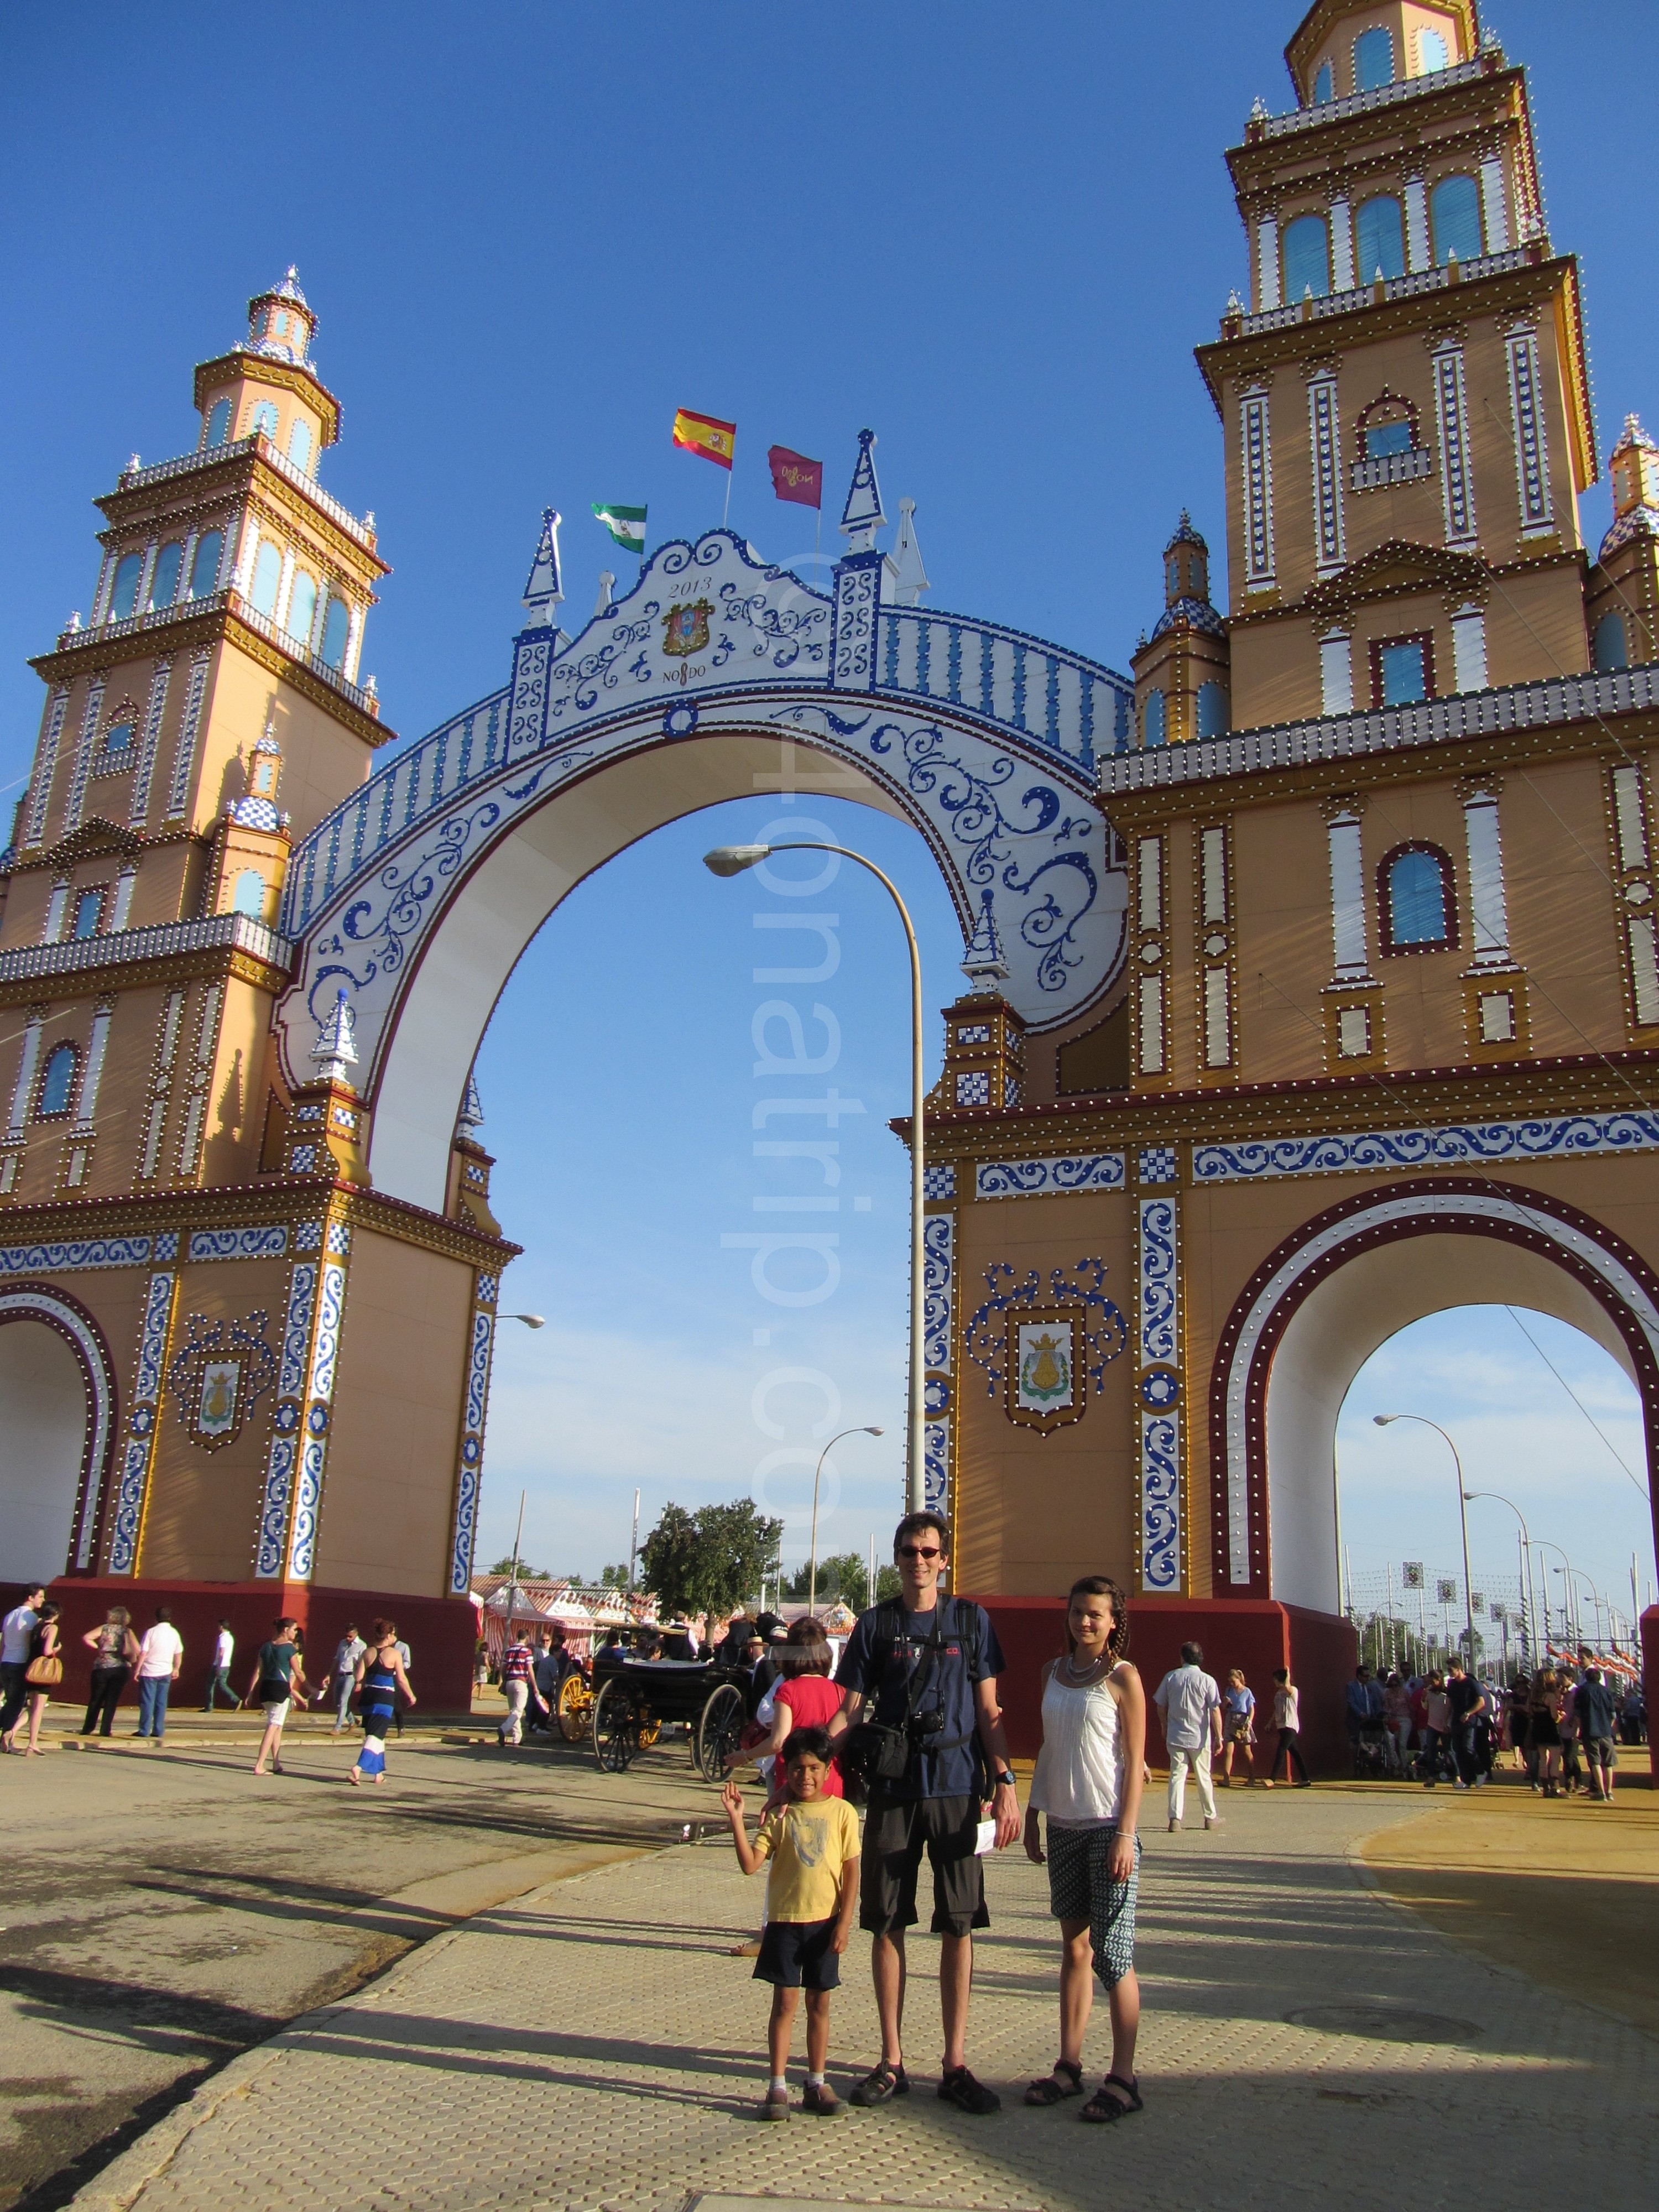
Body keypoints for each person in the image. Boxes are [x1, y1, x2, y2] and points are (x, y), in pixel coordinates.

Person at [829, 1508, 1020, 2116]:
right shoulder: (875, 1625)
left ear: (945, 1558)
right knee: (886, 1921)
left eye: (929, 1551)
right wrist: (800, 1768)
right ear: (896, 1557)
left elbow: (990, 1711)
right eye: (909, 1551)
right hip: (895, 1786)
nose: (919, 1561)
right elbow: (849, 1709)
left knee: (958, 1923)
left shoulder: (972, 1620)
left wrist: (1007, 1781)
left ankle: (955, 2062)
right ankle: (891, 2059)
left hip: (959, 1785)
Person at [1022, 1575, 1146, 2125]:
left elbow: (1139, 1764)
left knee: (1113, 1957)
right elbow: (1049, 1751)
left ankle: (1123, 2077)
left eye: (1096, 1614)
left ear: (1113, 1619)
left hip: (1106, 1828)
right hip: (1064, 1826)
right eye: (1077, 1612)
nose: (1085, 1622)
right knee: (1074, 1950)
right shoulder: (1052, 1672)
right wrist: (1032, 1813)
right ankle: (1069, 2065)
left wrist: (1126, 1832)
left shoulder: (1124, 1679)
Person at [723, 1726, 860, 2119]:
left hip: (825, 1924)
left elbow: (852, 1875)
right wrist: (737, 1820)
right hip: (785, 1924)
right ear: (787, 1771)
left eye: (815, 1768)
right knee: (784, 2002)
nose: (806, 1777)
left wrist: (844, 1925)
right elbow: (751, 1865)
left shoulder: (843, 1814)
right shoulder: (780, 1816)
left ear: (829, 1768)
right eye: (798, 1769)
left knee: (820, 2003)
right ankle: (777, 2085)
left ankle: (817, 2081)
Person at [731, 1619, 846, 1807]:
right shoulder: (839, 1692)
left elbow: (778, 1742)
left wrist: (746, 1756)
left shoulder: (788, 1690)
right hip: (831, 1785)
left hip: (795, 1786)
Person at [1152, 1642, 1223, 1832]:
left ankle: (1175, 1819)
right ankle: (1210, 1817)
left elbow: (1160, 1704)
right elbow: (1215, 1709)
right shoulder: (1208, 1680)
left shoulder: (1171, 1677)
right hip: (1199, 1738)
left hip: (1176, 1735)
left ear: (1182, 1657)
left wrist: (1164, 1725)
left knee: (1177, 1776)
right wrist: (1219, 1736)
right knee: (1203, 1777)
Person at [352, 1620, 414, 1785]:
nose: (394, 1637)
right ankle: (358, 1767)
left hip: (368, 1696)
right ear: (388, 1635)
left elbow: (358, 1677)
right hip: (384, 1697)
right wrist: (411, 1695)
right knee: (376, 1735)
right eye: (393, 1634)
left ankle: (378, 1774)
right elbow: (401, 1678)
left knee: (377, 1735)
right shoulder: (394, 1654)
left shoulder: (367, 1652)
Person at [247, 1617, 309, 1775]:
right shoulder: (289, 1648)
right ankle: (260, 1765)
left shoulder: (266, 1647)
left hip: (265, 1688)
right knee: (273, 1726)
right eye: (293, 1629)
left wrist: (250, 1693)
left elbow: (258, 1671)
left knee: (277, 1727)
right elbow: (298, 1672)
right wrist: (311, 1689)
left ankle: (276, 1762)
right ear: (285, 1630)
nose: (295, 1632)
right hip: (280, 1689)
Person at [81, 1606, 139, 1737]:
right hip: (120, 1667)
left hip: (102, 1666)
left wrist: (98, 1648)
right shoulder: (127, 1631)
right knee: (112, 1700)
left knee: (96, 1699)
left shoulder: (104, 1628)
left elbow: (87, 1637)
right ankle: (105, 1729)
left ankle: (88, 1728)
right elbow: (138, 1649)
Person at [12, 1602, 62, 1755]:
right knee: (38, 1709)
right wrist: (57, 1649)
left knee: (31, 1707)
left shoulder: (36, 1627)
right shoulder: (52, 1628)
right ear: (55, 1615)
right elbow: (47, 1650)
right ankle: (32, 1743)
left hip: (31, 1668)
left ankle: (11, 1731)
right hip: (43, 1671)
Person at [0, 1583, 46, 1749]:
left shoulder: (10, 1615)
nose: (43, 1600)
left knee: (9, 1701)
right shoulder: (31, 1618)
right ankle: (7, 1735)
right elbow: (29, 1643)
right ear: (30, 1597)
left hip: (6, 1661)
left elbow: (3, 1642)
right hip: (20, 1662)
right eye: (40, 1596)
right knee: (16, 1703)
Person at [133, 1606, 184, 1743]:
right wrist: (177, 1668)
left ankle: (144, 1729)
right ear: (170, 1618)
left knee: (148, 1701)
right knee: (161, 1702)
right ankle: (158, 1729)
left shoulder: (151, 1632)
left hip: (150, 1671)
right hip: (166, 1671)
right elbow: (178, 1653)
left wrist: (137, 1670)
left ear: (156, 1617)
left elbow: (143, 1653)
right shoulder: (175, 1633)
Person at [1261, 1667, 1309, 1787]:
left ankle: (1272, 1779)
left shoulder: (1292, 1690)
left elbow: (1288, 1687)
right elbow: (1276, 1709)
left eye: (1276, 1679)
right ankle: (1305, 1779)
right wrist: (1270, 1723)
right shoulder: (1278, 1694)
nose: (1274, 1682)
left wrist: (1288, 1675)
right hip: (1281, 1726)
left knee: (1281, 1750)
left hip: (1290, 1725)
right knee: (1295, 1753)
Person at [1575, 1666, 1618, 1801]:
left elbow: (1578, 1714)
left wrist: (1580, 1729)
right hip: (1606, 1732)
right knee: (1608, 1763)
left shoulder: (1582, 1691)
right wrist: (1608, 1727)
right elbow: (1613, 1714)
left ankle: (1601, 1792)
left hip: (1590, 1730)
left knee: (1595, 1762)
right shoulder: (1606, 1691)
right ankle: (1609, 1791)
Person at [1444, 1662, 1486, 1790]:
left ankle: (1481, 1772)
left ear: (1459, 1669)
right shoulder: (1452, 1685)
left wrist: (1469, 1713)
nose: (1450, 1673)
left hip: (1470, 1721)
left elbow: (1481, 1702)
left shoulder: (1472, 1683)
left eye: (1451, 1670)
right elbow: (1449, 1704)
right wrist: (1446, 1720)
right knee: (1458, 1750)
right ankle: (1466, 1780)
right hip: (1456, 1721)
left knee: (1467, 1747)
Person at [322, 1624, 366, 1731]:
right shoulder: (342, 1643)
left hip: (351, 1676)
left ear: (356, 1634)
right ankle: (352, 1721)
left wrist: (359, 1681)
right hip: (340, 1675)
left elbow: (362, 1664)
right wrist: (329, 1674)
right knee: (337, 1701)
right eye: (346, 1636)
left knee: (343, 1701)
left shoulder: (362, 1645)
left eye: (350, 1636)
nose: (348, 1638)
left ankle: (337, 1727)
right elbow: (337, 1659)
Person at [498, 1626, 535, 1746]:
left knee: (513, 1711)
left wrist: (504, 1681)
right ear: (527, 1638)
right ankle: (504, 1729)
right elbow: (530, 1670)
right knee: (518, 1711)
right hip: (521, 1682)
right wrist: (535, 1686)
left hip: (509, 1682)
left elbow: (503, 1668)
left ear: (517, 1636)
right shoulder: (527, 1652)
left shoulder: (509, 1651)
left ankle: (517, 1738)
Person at [1218, 1668, 1255, 1787]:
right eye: (1230, 1682)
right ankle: (1226, 1778)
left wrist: (1249, 1721)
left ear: (1239, 1679)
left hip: (1243, 1720)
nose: (1232, 1684)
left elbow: (1251, 1708)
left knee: (1247, 1750)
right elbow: (1224, 1707)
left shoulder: (1247, 1692)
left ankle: (1251, 1778)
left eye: (1234, 1681)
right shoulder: (1229, 1691)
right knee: (1229, 1750)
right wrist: (1226, 1703)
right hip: (1231, 1718)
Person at [1529, 1668, 1563, 1797]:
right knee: (1555, 1759)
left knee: (1543, 1759)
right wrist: (1561, 1717)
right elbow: (1554, 1716)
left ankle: (1545, 1788)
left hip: (1538, 1728)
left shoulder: (1533, 1695)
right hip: (1549, 1728)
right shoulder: (1550, 1696)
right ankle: (1555, 1787)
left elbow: (1531, 1712)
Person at [1419, 1671, 1452, 1785]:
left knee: (1450, 1752)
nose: (1432, 1684)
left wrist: (1448, 1724)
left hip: (1445, 1726)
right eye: (1430, 1681)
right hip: (1432, 1725)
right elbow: (1425, 1707)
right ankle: (1431, 1778)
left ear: (1440, 1680)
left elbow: (1451, 1711)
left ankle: (1457, 1776)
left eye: (1434, 1681)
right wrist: (1423, 1699)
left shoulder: (1447, 1694)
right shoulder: (1429, 1693)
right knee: (1431, 1753)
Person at [1382, 1671, 1413, 1775]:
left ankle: (1404, 1767)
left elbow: (1410, 1706)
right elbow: (1386, 1707)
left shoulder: (1405, 1692)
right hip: (1393, 1719)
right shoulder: (1387, 1693)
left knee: (1402, 1744)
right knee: (1390, 1742)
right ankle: (1396, 1764)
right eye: (1391, 1685)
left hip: (1405, 1719)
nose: (1393, 1687)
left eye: (1395, 1685)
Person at [202, 1620, 238, 1711]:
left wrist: (218, 1666)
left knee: (210, 1684)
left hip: (219, 1665)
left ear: (221, 1627)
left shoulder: (223, 1638)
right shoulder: (230, 1637)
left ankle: (209, 1707)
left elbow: (221, 1653)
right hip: (227, 1665)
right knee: (222, 1684)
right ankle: (235, 1700)